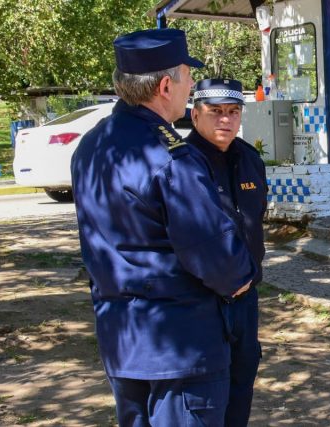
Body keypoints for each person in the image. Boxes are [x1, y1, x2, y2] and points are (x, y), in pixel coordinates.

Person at [70, 28, 256, 425]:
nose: (191, 86)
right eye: (189, 77)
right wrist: (243, 279)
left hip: (122, 339)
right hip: (180, 346)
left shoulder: (92, 145)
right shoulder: (171, 157)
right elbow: (215, 253)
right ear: (167, 85)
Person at [185, 78, 268, 427]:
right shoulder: (182, 162)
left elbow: (255, 221)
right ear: (195, 115)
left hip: (245, 301)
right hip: (201, 301)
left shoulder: (249, 159)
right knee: (203, 398)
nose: (225, 120)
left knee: (241, 384)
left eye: (233, 112)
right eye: (215, 111)